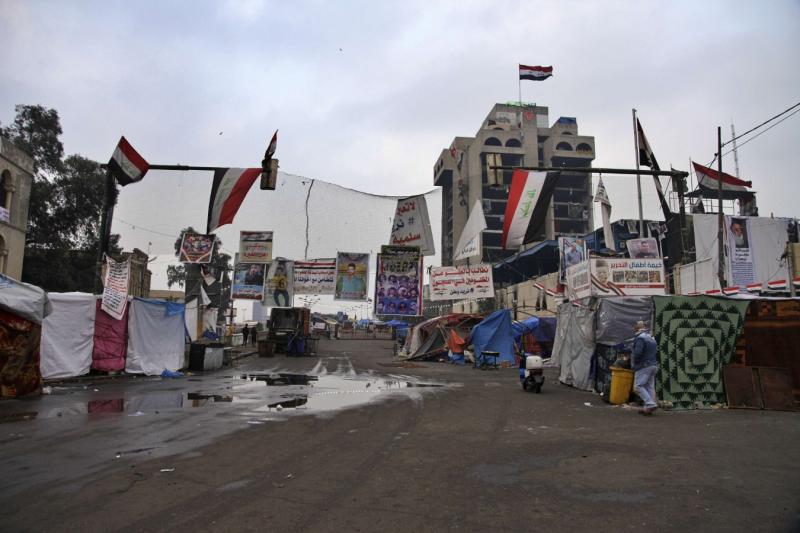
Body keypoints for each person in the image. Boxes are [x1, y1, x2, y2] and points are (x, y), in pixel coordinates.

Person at [631, 320, 659, 415]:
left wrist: (634, 362)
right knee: (649, 387)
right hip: (653, 365)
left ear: (637, 328)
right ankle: (648, 408)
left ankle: (650, 404)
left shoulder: (640, 338)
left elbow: (638, 353)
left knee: (638, 386)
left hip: (644, 365)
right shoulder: (651, 337)